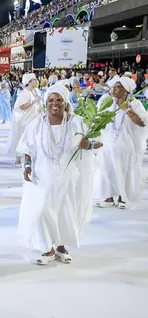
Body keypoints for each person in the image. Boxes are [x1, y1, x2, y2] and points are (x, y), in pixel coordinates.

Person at [17, 84, 102, 265]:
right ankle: (47, 248)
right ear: (46, 103)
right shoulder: (37, 123)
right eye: (50, 100)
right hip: (42, 175)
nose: (54, 104)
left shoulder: (77, 122)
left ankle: (61, 246)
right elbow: (27, 147)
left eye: (59, 100)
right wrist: (27, 165)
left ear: (65, 103)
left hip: (69, 176)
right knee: (41, 210)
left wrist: (90, 145)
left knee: (65, 210)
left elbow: (99, 142)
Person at [94, 76, 148, 209]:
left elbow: (142, 123)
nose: (115, 89)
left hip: (125, 144)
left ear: (126, 91)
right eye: (115, 87)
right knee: (106, 169)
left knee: (123, 170)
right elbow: (98, 119)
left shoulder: (135, 103)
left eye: (119, 87)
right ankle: (108, 197)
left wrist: (127, 109)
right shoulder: (107, 102)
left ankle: (123, 198)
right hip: (107, 143)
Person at [6, 73, 44, 165]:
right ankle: (18, 158)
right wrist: (34, 101)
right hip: (24, 120)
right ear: (29, 82)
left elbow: (40, 103)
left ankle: (32, 157)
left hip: (35, 118)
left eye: (36, 79)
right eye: (34, 80)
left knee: (34, 138)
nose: (36, 81)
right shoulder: (24, 93)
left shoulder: (37, 91)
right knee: (21, 137)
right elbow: (22, 106)